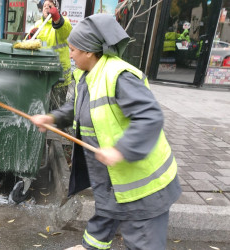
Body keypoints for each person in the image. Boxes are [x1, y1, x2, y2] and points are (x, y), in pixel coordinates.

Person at [31, 14, 181, 250]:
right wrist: (51, 118)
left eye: (72, 49)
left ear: (89, 51)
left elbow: (150, 116)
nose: (69, 54)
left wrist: (120, 151)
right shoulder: (87, 75)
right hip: (115, 180)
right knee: (105, 216)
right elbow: (78, 106)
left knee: (142, 242)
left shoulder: (119, 76)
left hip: (144, 185)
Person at [26, 0, 72, 110]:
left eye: (50, 5)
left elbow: (64, 31)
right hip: (42, 75)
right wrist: (29, 37)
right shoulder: (38, 24)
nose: (46, 7)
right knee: (41, 108)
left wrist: (56, 19)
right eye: (45, 5)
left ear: (56, 8)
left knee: (57, 110)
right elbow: (27, 44)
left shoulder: (64, 21)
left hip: (59, 77)